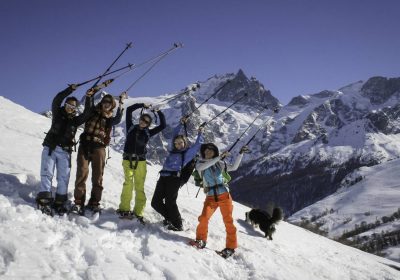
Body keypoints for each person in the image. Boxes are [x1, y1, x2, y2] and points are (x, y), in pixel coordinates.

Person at [36, 84, 94, 215]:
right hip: (51, 147)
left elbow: (87, 114)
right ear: (65, 104)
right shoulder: (57, 113)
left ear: (75, 109)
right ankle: (44, 199)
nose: (70, 108)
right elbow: (57, 99)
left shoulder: (75, 120)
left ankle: (60, 202)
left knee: (63, 177)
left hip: (65, 152)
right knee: (47, 173)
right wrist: (70, 90)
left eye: (73, 106)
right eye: (68, 105)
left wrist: (89, 98)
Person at [189, 143, 249, 259]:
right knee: (204, 218)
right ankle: (201, 240)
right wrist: (219, 157)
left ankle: (230, 248)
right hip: (211, 197)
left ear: (214, 152)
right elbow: (201, 168)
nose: (208, 152)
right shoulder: (200, 163)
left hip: (224, 196)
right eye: (206, 150)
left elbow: (233, 167)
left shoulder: (219, 164)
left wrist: (240, 154)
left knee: (228, 222)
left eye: (211, 150)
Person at [71, 93, 124, 215]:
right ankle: (78, 201)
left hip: (99, 147)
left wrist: (121, 103)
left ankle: (94, 202)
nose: (106, 104)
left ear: (112, 106)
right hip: (85, 145)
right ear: (102, 102)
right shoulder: (92, 111)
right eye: (105, 102)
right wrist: (90, 96)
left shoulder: (110, 119)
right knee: (81, 173)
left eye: (109, 103)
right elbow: (88, 105)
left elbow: (118, 119)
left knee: (98, 176)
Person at [151, 118, 204, 231]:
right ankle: (171, 218)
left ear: (185, 143)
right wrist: (180, 123)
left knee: (170, 202)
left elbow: (197, 144)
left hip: (174, 179)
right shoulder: (172, 150)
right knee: (155, 202)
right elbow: (174, 134)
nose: (178, 145)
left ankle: (178, 224)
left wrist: (200, 132)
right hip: (163, 177)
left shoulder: (187, 153)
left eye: (180, 143)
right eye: (176, 143)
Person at [116, 103, 166, 223]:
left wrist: (158, 111)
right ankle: (124, 209)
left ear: (149, 124)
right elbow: (128, 110)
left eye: (146, 121)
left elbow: (163, 125)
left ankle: (138, 212)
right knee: (128, 183)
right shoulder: (130, 127)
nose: (143, 122)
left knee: (139, 186)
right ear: (139, 119)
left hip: (141, 162)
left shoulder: (148, 132)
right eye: (142, 119)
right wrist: (141, 105)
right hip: (127, 160)